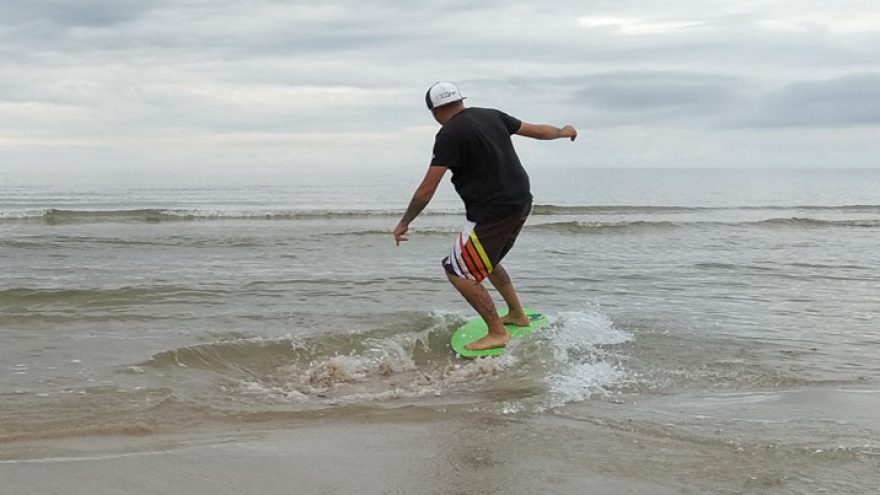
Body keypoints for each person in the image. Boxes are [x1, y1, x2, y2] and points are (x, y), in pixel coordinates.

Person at [393, 81, 577, 351]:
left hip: (492, 213)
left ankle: (497, 332)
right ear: (460, 101)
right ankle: (517, 314)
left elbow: (426, 189)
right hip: (520, 201)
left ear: (434, 111)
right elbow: (538, 132)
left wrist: (405, 222)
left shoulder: (449, 134)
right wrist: (564, 131)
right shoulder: (492, 115)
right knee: (487, 261)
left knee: (457, 271)